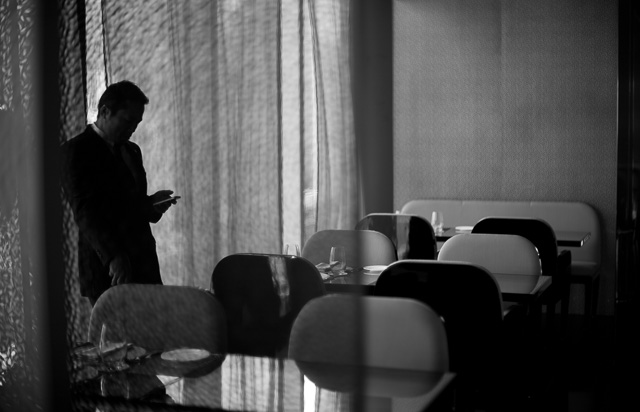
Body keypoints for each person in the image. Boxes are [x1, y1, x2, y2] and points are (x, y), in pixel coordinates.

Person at [61, 80, 177, 306]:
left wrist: (152, 205)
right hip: (107, 267)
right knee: (116, 337)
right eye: (127, 120)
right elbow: (85, 212)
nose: (133, 128)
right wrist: (113, 256)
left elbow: (129, 205)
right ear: (105, 112)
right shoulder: (75, 152)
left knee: (150, 333)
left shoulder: (131, 150)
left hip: (143, 262)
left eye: (137, 122)